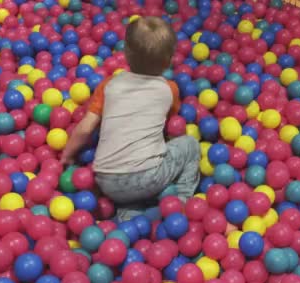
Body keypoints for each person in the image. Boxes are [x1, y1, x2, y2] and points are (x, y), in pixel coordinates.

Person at [61, 16, 201, 221]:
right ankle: (181, 202)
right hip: (149, 178)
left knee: (132, 198)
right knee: (190, 144)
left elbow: (85, 128)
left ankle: (130, 214)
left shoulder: (110, 85)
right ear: (169, 60)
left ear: (125, 53)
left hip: (106, 182)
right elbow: (168, 125)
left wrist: (68, 155)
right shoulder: (169, 90)